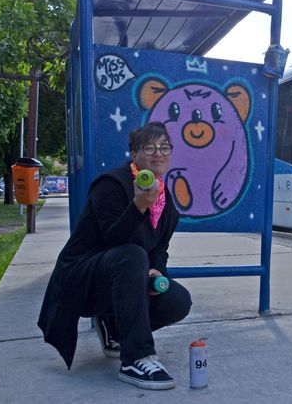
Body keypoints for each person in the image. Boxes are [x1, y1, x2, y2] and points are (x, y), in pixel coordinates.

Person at [38, 122, 192, 390]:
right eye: (149, 148)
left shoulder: (165, 203)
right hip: (81, 279)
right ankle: (136, 358)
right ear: (134, 154)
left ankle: (115, 326)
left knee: (177, 300)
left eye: (165, 147)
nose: (158, 153)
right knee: (132, 256)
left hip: (122, 277)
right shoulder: (111, 184)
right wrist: (138, 206)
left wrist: (157, 272)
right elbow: (112, 239)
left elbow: (159, 250)